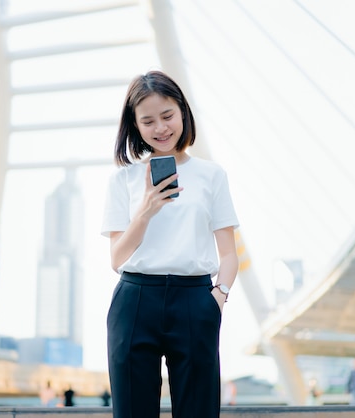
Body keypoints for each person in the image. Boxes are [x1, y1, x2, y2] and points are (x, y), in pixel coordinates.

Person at [102, 70, 239, 418]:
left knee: (199, 412)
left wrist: (217, 298)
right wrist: (145, 211)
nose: (161, 128)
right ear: (135, 126)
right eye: (148, 121)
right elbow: (117, 258)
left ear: (183, 113)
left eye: (167, 116)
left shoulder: (212, 175)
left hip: (195, 300)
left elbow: (228, 253)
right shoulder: (124, 179)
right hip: (134, 301)